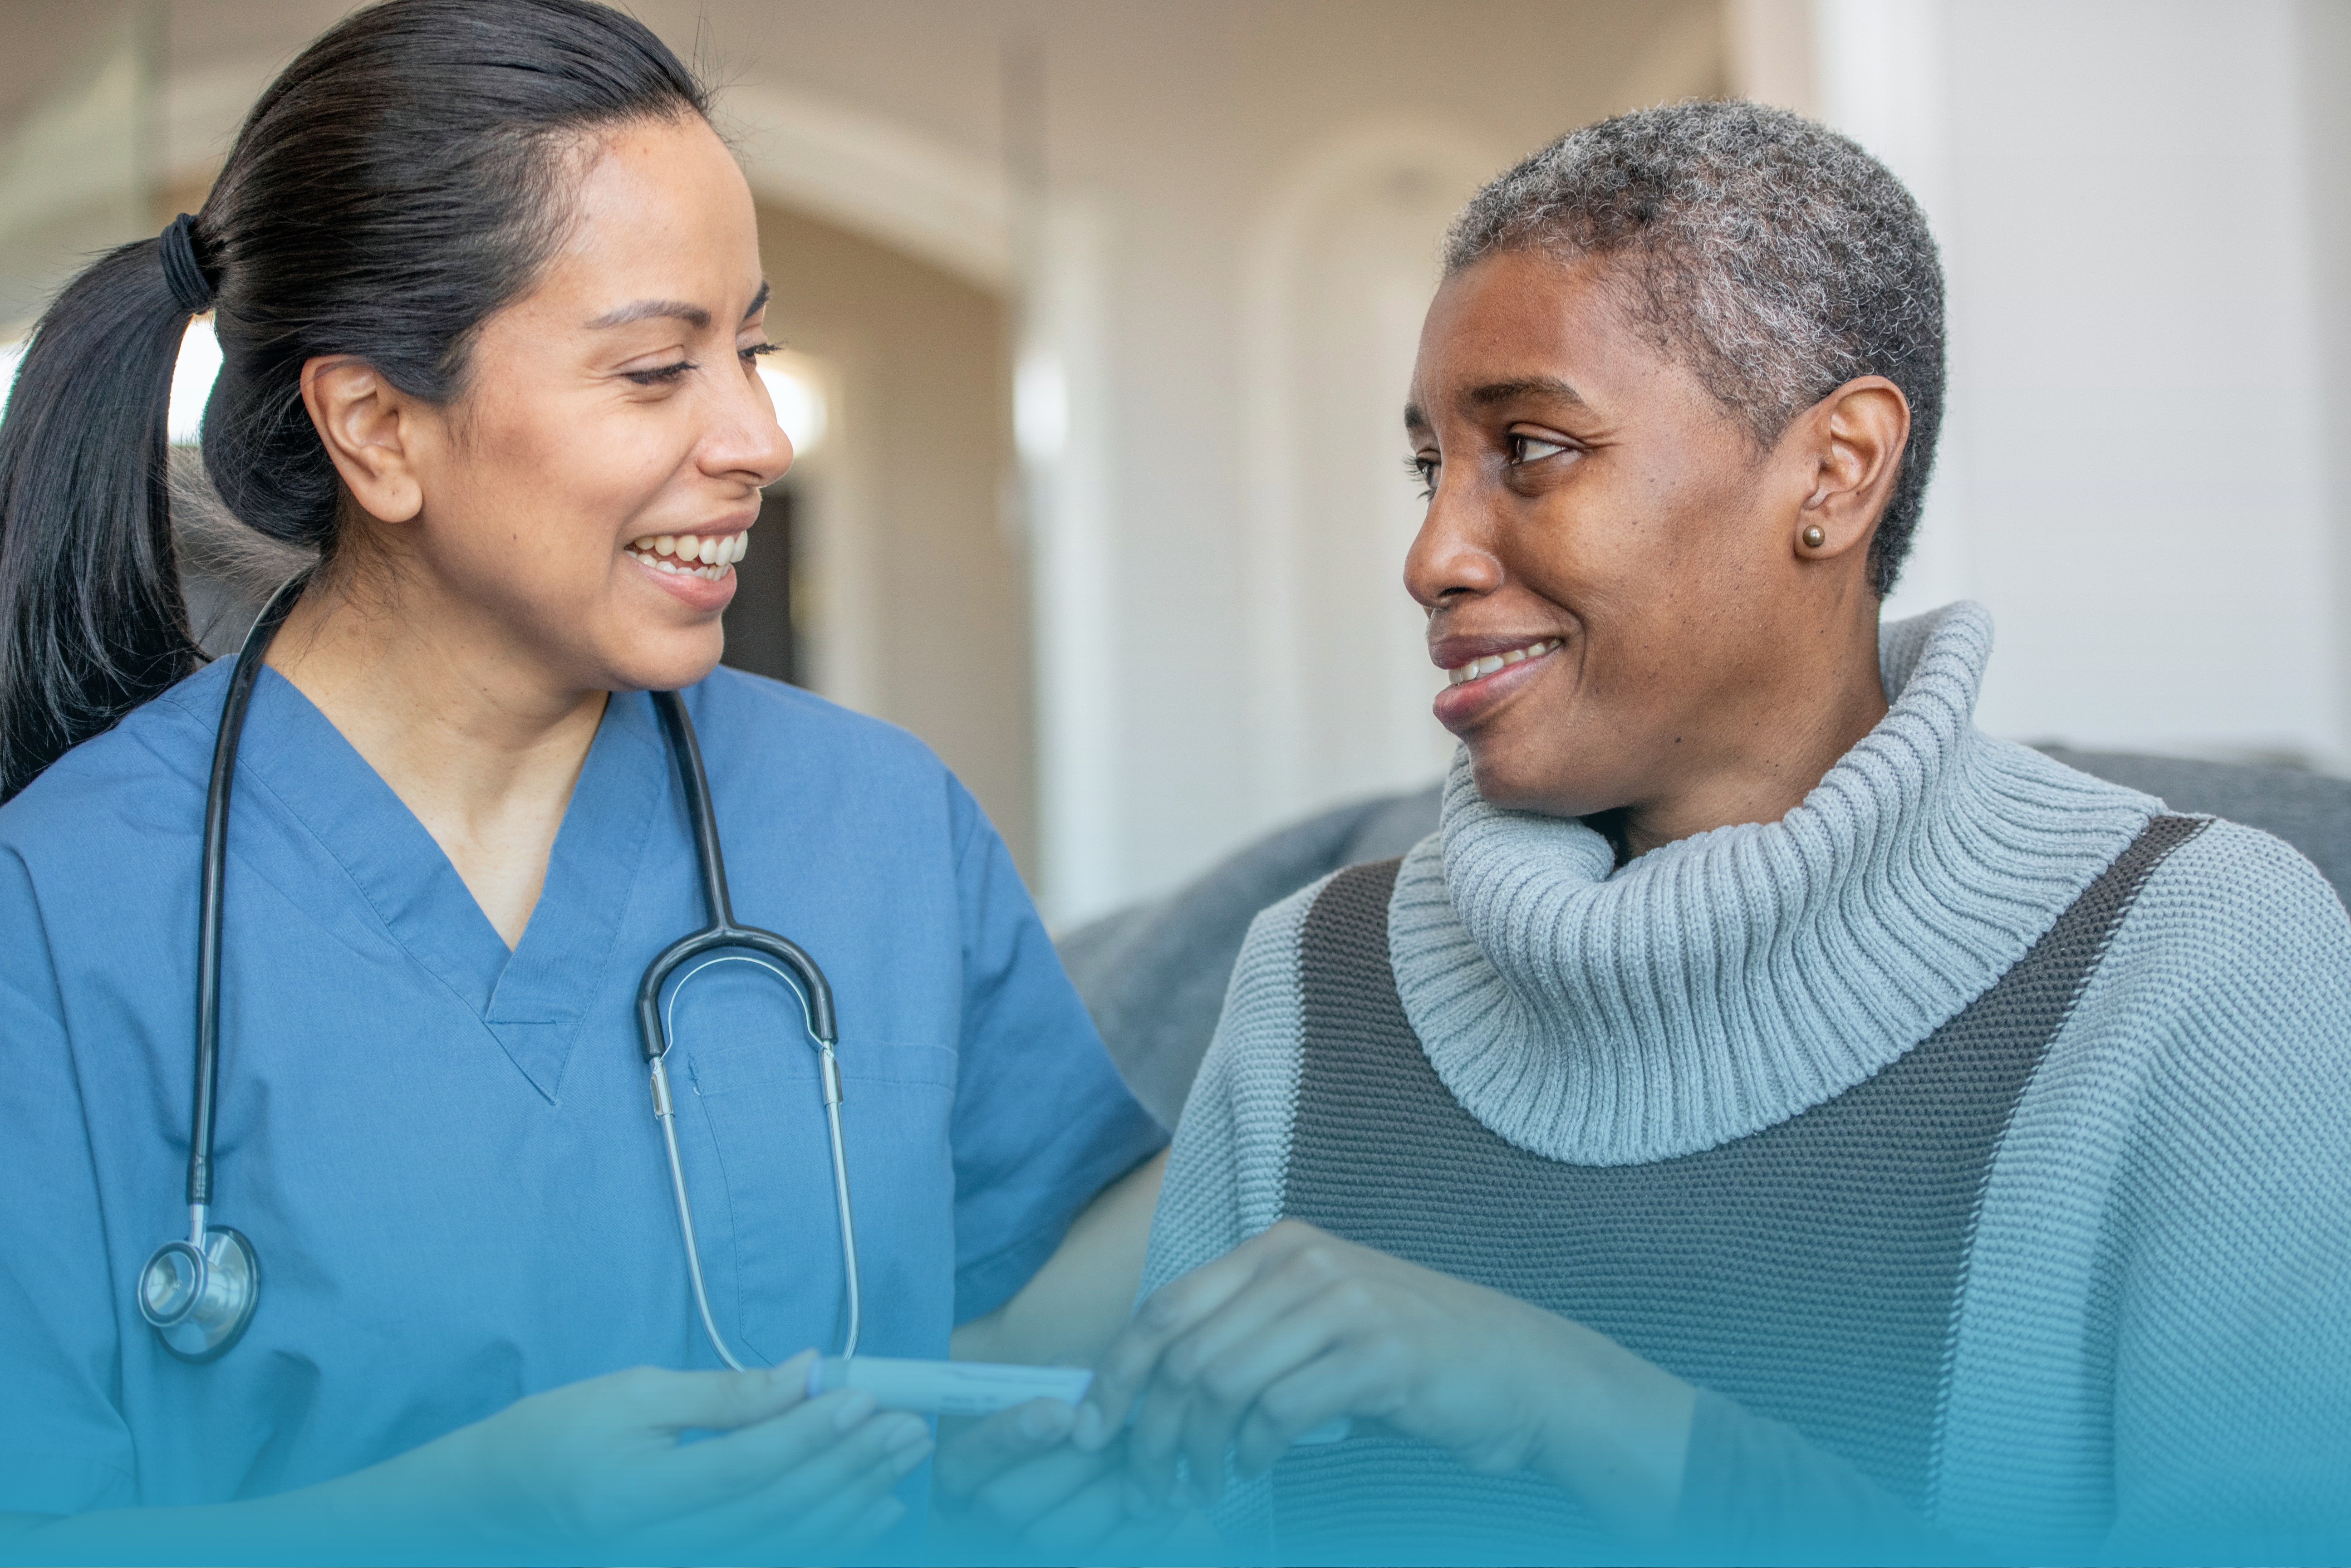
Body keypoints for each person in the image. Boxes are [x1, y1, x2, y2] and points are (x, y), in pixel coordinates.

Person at [936, 101, 2351, 1565]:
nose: (1431, 555)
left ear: (1835, 472)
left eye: (1531, 449)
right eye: (1432, 467)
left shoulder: (2202, 959)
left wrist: (1571, 1403)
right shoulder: (1307, 980)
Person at [0, 2, 1163, 1562]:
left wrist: (1053, 1442)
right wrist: (471, 1517)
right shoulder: (65, 911)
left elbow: (1044, 1285)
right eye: (655, 369)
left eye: (745, 349)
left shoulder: (872, 823)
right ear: (377, 428)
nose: (753, 434)